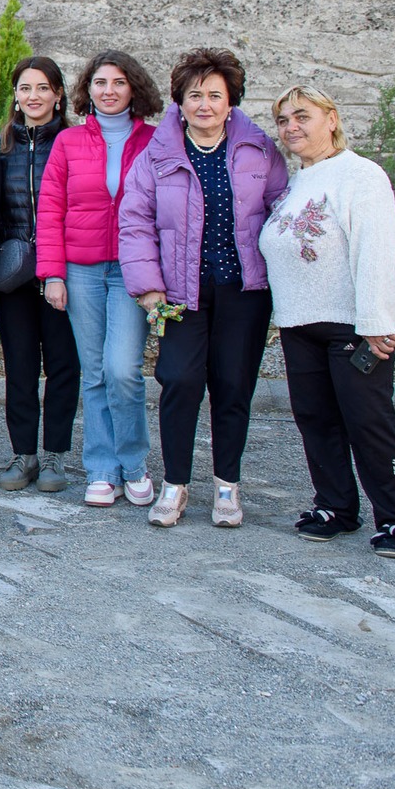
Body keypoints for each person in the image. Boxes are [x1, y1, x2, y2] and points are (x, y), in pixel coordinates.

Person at [120, 49, 288, 529]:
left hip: (245, 291)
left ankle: (227, 486)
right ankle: (175, 485)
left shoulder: (260, 150)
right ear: (180, 101)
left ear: (231, 100)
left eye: (215, 95)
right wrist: (149, 287)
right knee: (179, 381)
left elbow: (282, 210)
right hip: (181, 294)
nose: (205, 104)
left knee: (233, 385)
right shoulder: (157, 155)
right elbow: (135, 221)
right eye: (195, 95)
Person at [262, 85, 395, 558]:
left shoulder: (361, 175)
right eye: (283, 120)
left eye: (302, 116)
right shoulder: (297, 182)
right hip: (298, 324)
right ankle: (335, 507)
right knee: (315, 420)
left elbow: (375, 250)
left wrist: (377, 320)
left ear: (331, 119)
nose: (291, 127)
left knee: (368, 422)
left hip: (351, 326)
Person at [36, 50, 164, 509]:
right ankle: (102, 470)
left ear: (134, 89)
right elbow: (50, 209)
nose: (109, 91)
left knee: (122, 369)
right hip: (81, 270)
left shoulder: (155, 140)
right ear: (87, 90)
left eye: (119, 82)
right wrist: (52, 274)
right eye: (100, 83)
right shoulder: (69, 142)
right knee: (93, 373)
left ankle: (134, 464)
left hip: (133, 270)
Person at [0, 58, 80, 493]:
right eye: (25, 88)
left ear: (58, 95)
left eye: (43, 88)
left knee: (63, 365)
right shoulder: (0, 147)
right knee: (19, 366)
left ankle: (55, 455)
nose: (34, 96)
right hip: (14, 273)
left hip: (63, 271)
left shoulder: (73, 142)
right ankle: (23, 453)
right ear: (16, 96)